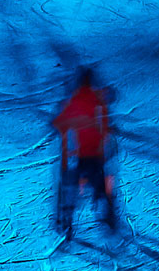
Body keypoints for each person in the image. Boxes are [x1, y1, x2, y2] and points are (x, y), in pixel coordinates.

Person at [53, 60, 126, 247]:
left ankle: (66, 223)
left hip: (79, 156)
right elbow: (106, 123)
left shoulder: (74, 101)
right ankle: (109, 220)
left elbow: (60, 122)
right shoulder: (96, 99)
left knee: (71, 187)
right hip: (96, 154)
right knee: (102, 187)